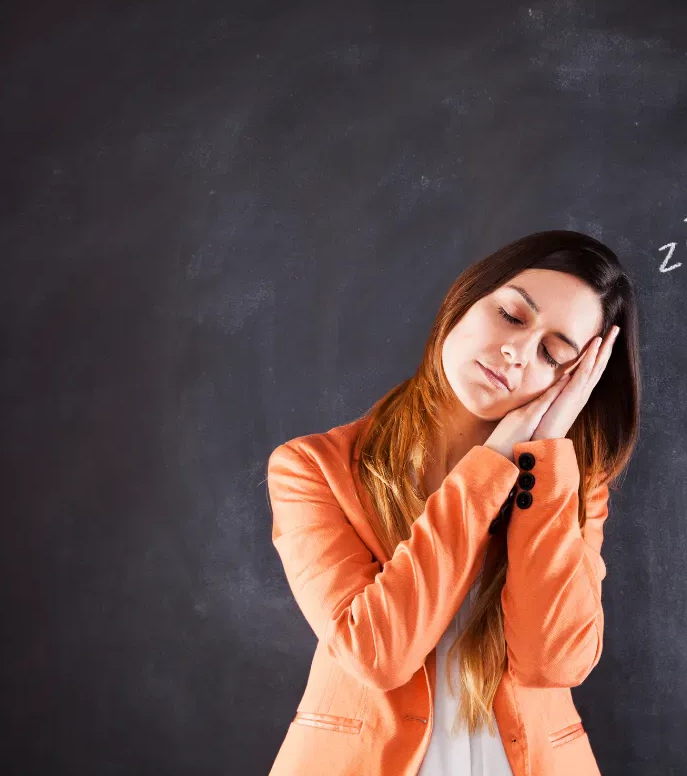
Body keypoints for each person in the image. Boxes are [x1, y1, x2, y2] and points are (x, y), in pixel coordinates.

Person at [265, 229, 641, 775]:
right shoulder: (313, 467)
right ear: (465, 299)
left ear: (572, 382)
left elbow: (553, 661)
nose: (517, 353)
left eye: (553, 354)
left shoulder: (575, 485)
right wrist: (490, 465)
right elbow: (377, 654)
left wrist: (542, 457)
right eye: (510, 316)